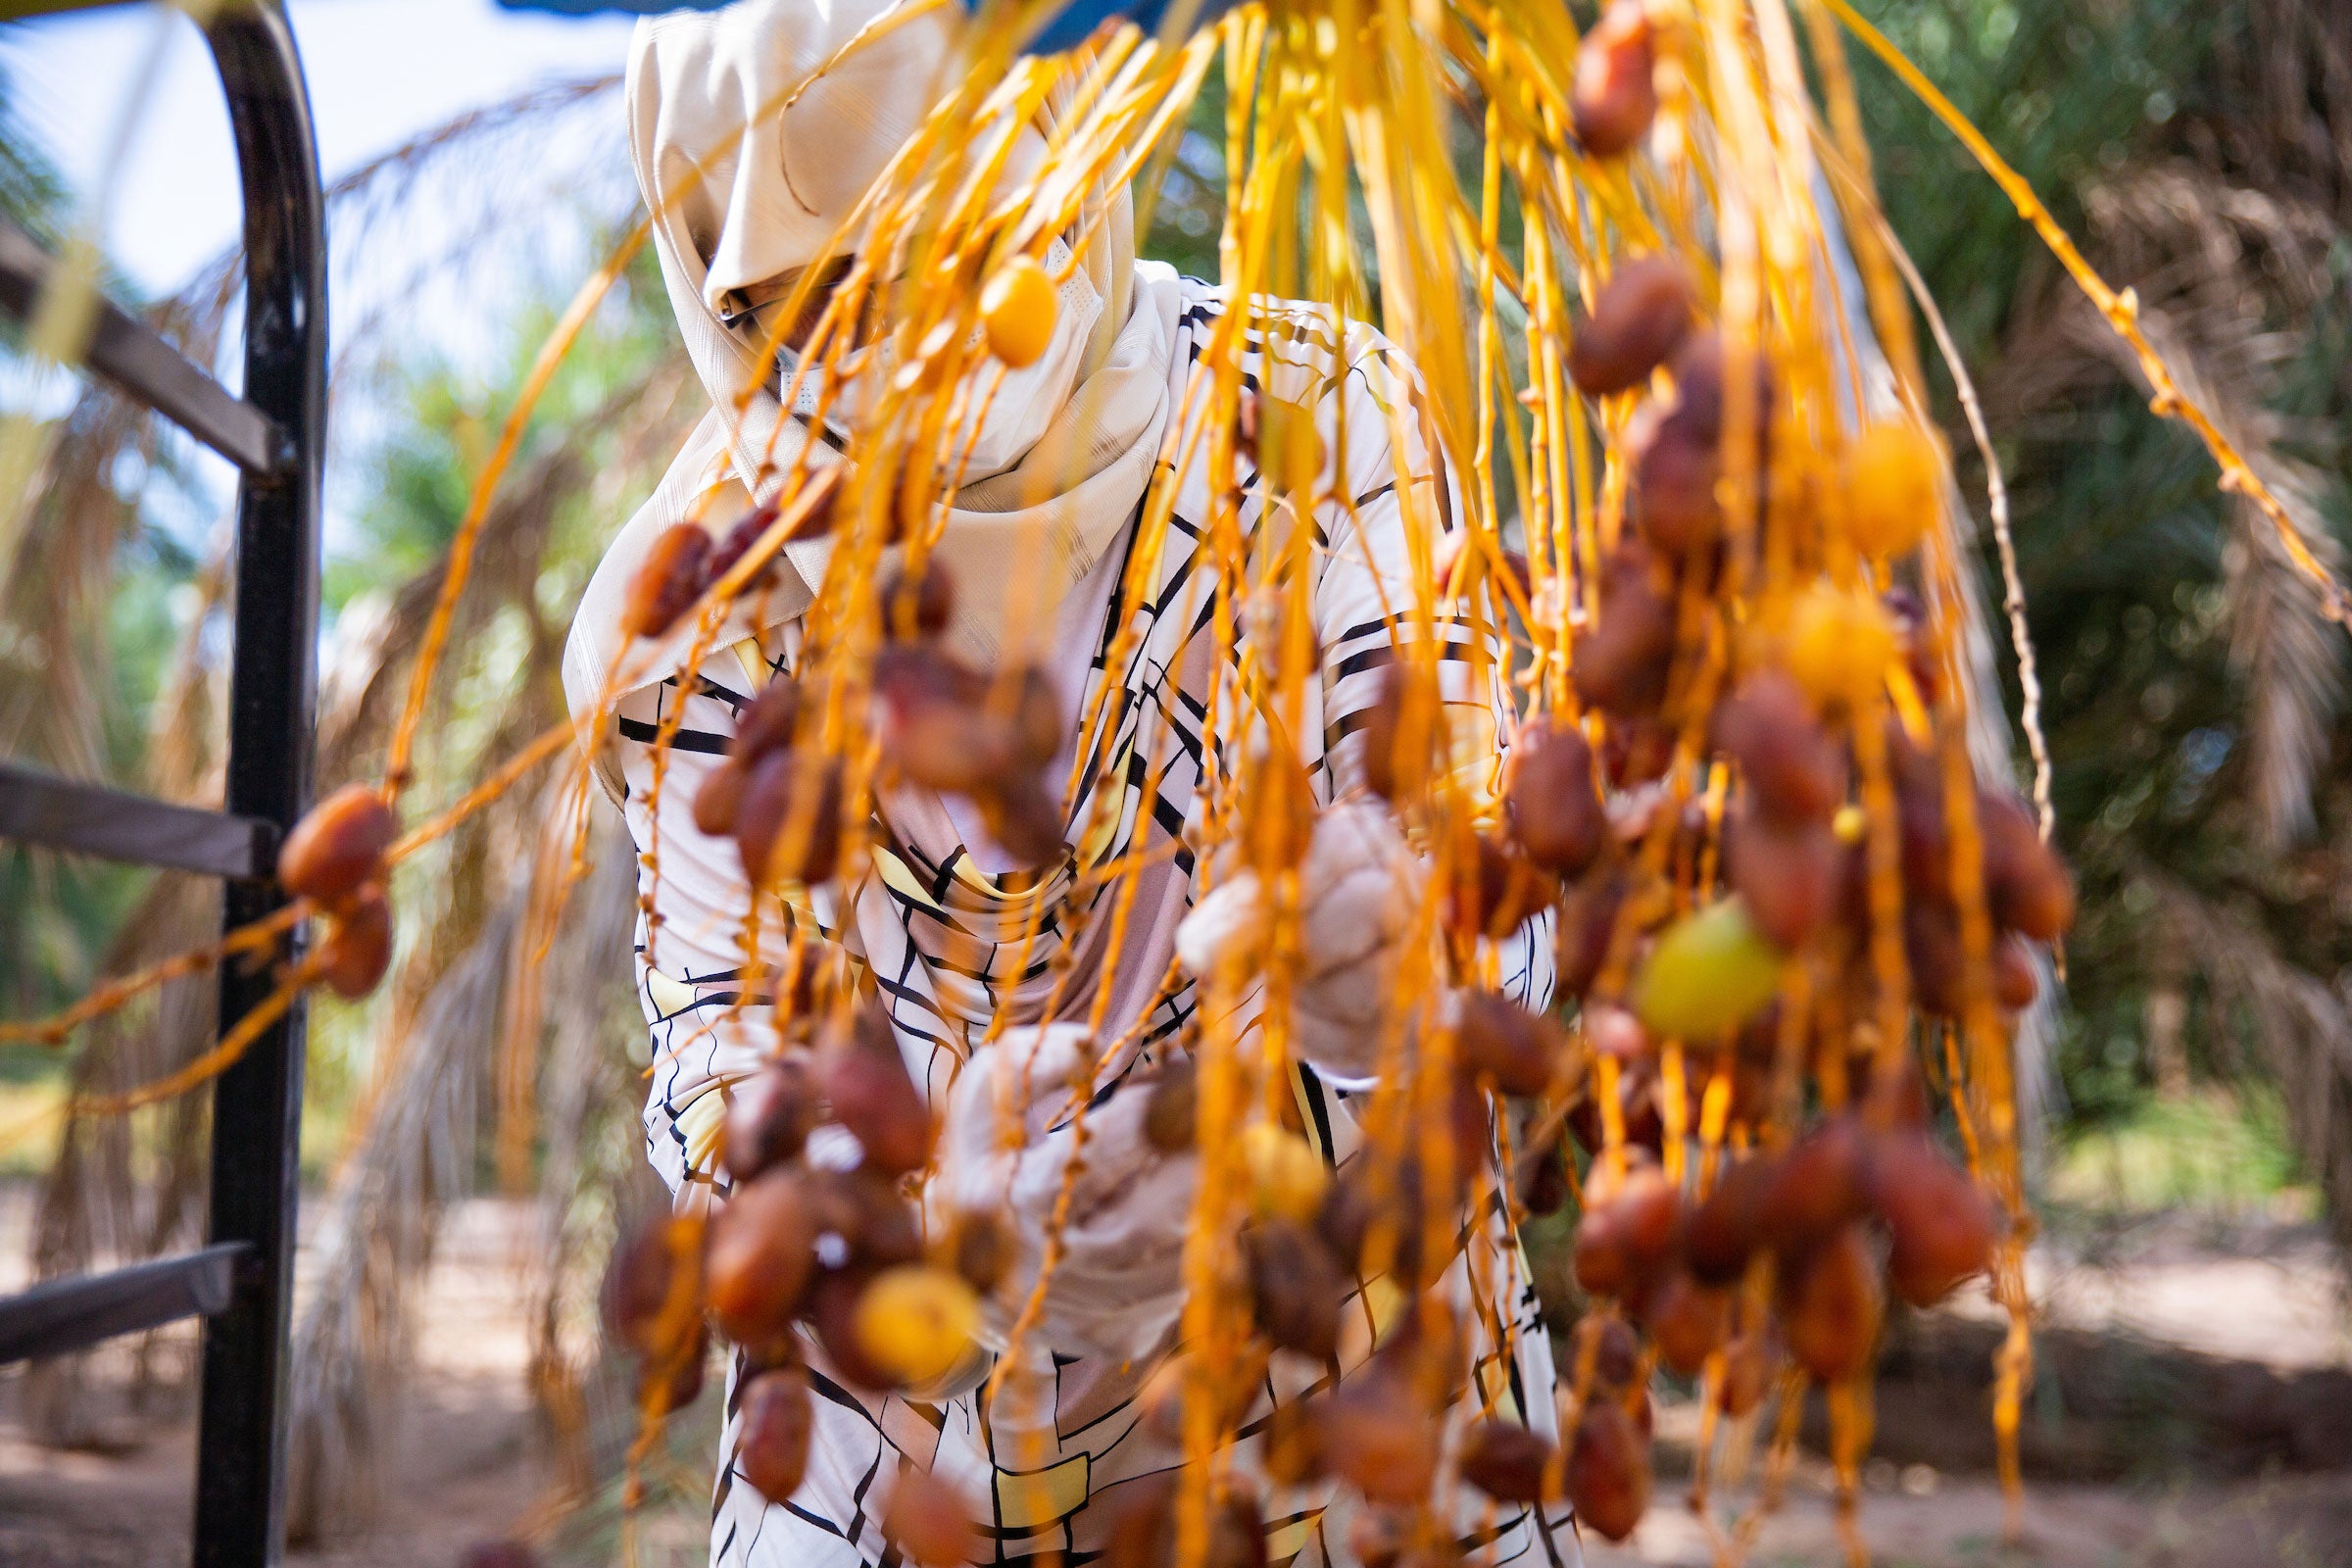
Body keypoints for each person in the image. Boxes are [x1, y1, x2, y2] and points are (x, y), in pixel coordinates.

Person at [564, 2, 1578, 1563]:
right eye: (830, 296)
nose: (925, 337)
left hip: (1348, 1358)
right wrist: (933, 1228)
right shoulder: (701, 612)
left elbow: (1473, 875)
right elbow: (724, 1064)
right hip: (909, 1422)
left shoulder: (1312, 416)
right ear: (729, 297)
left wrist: (1395, 980)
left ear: (1072, 166)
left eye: (970, 241)